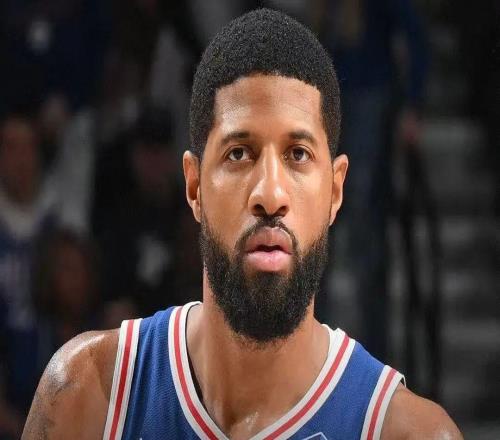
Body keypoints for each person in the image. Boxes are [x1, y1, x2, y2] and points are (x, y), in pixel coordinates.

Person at [22, 9, 461, 439]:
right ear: (194, 186)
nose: (269, 194)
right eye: (239, 154)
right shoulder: (85, 396)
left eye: (298, 155)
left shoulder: (409, 432)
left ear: (334, 191)